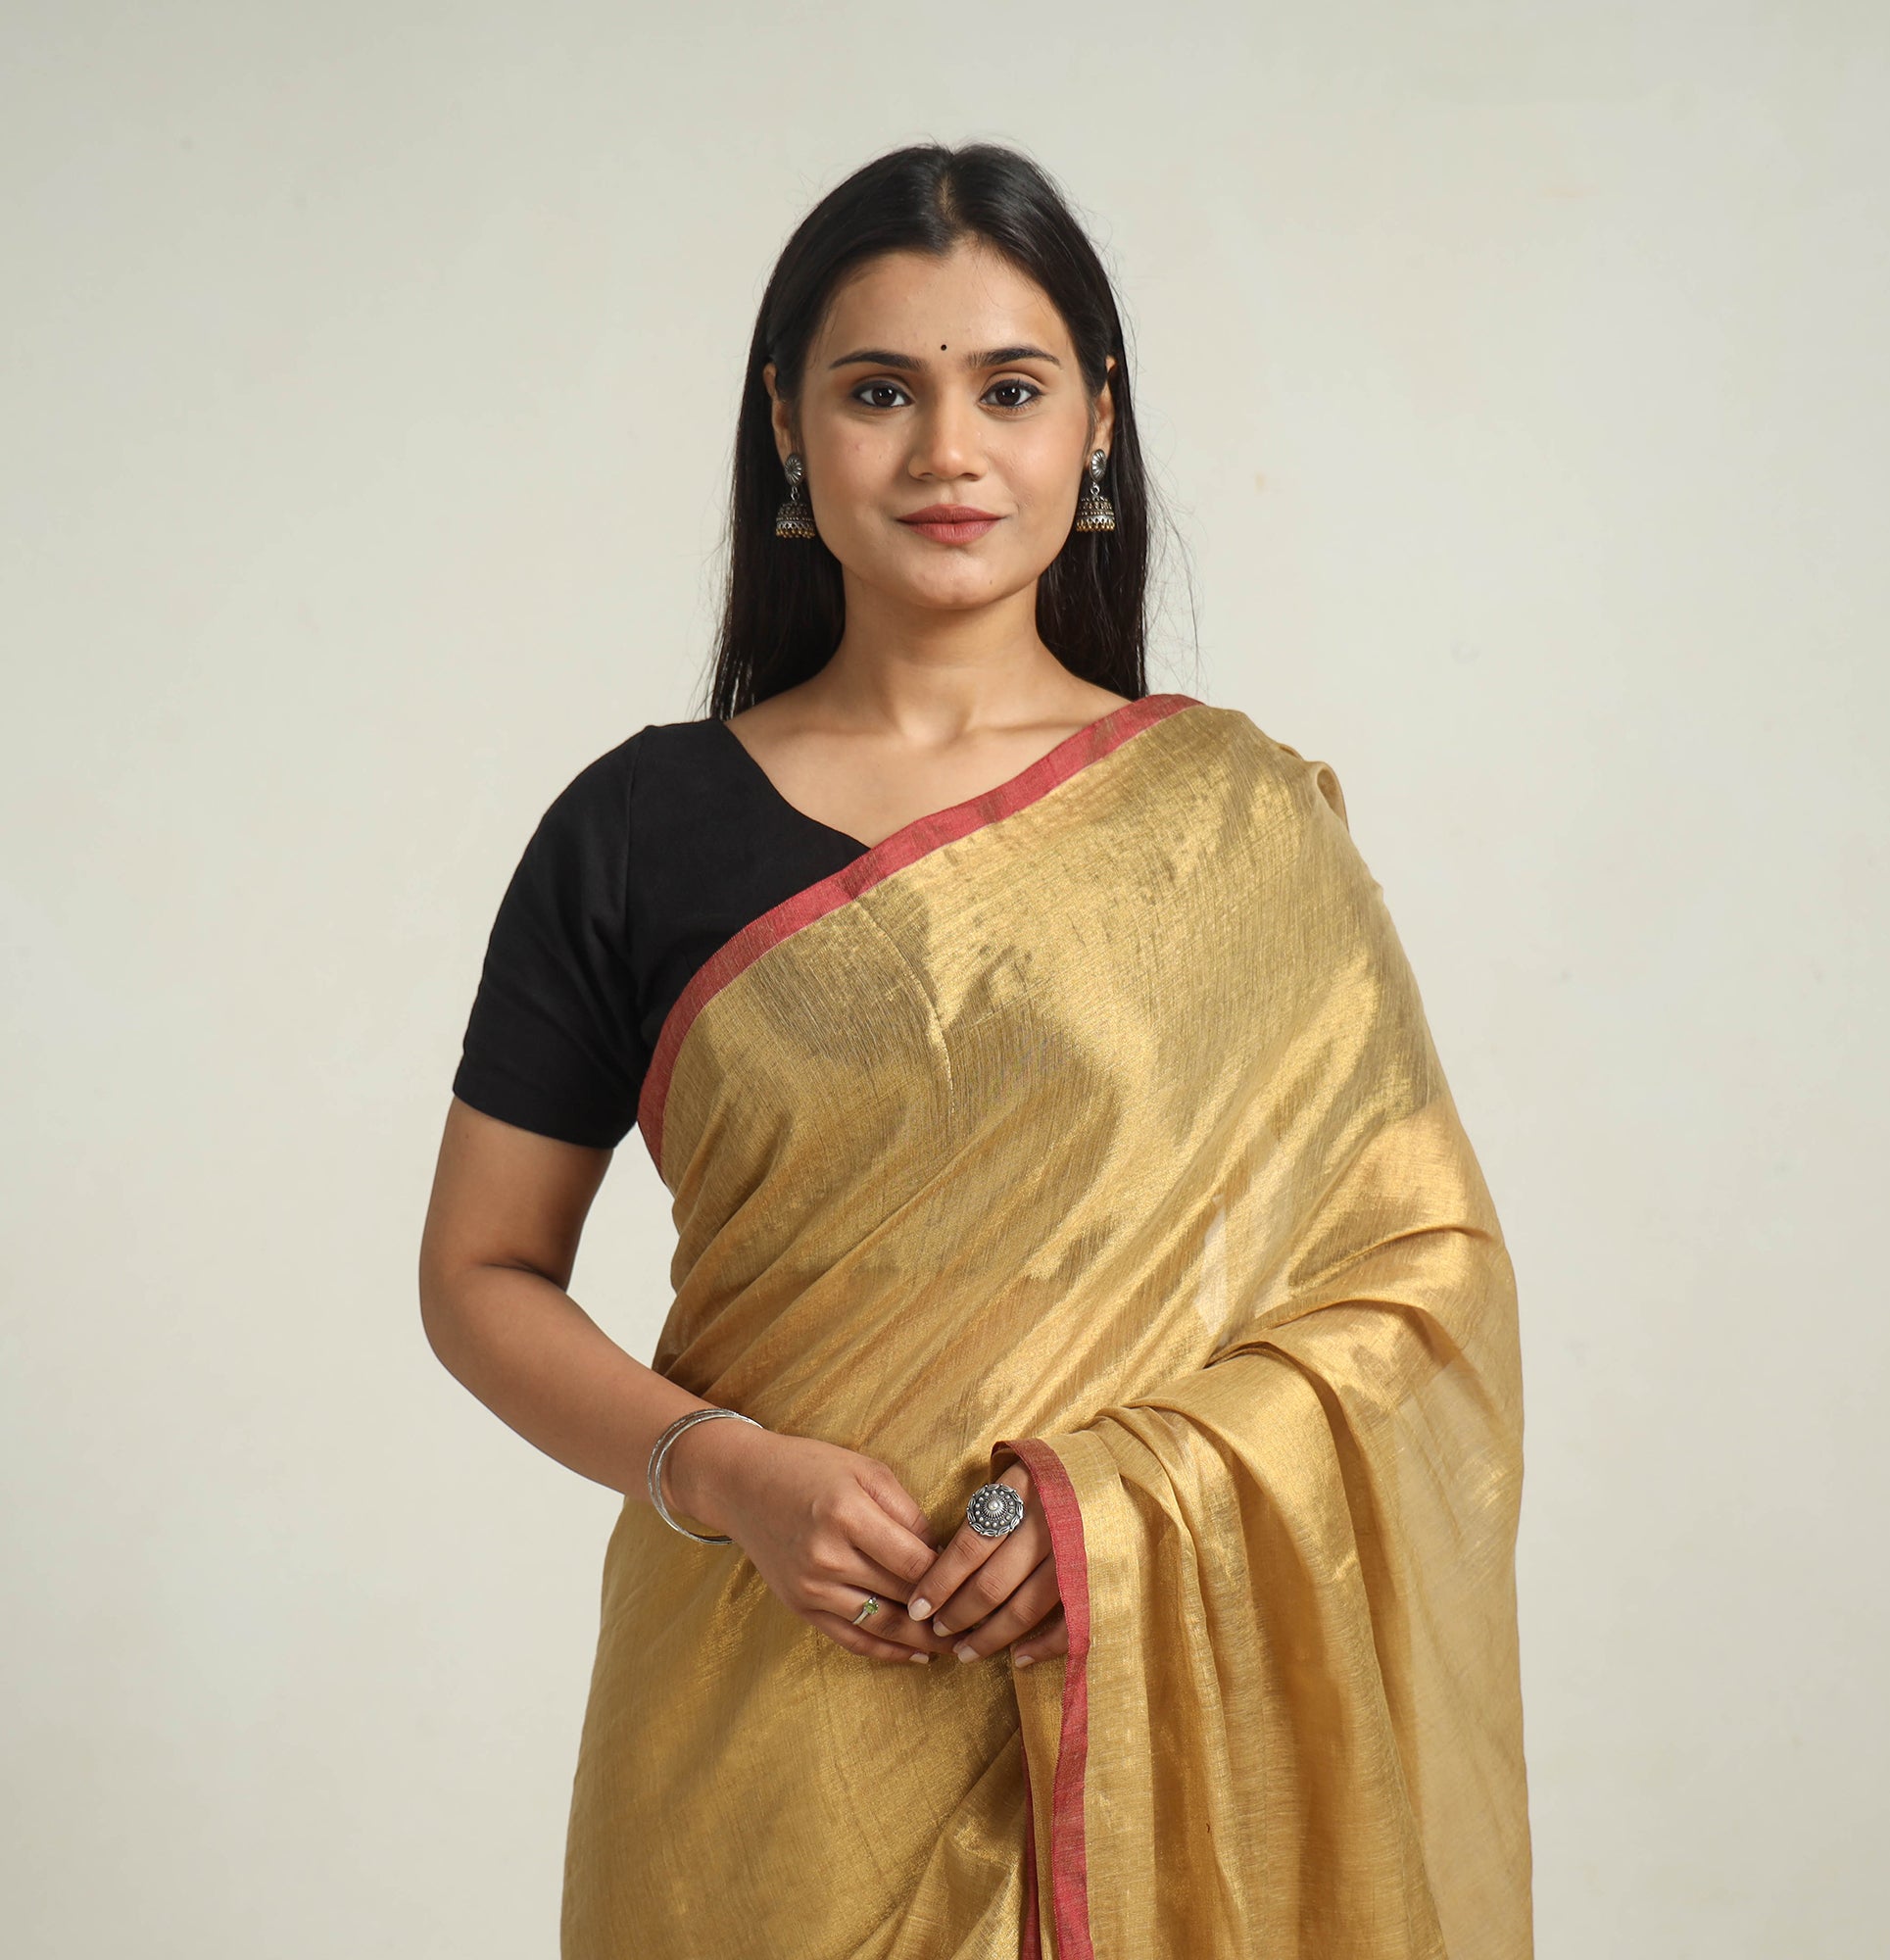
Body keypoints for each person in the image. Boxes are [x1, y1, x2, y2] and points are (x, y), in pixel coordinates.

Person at [419, 140, 1532, 1960]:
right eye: (881, 392)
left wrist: (1108, 1511)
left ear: (1098, 426)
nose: (949, 451)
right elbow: (479, 1273)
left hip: (1144, 1712)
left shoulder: (1237, 824)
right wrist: (724, 1472)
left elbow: (1418, 1280)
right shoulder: (634, 830)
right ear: (788, 427)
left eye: (1010, 389)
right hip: (756, 1732)